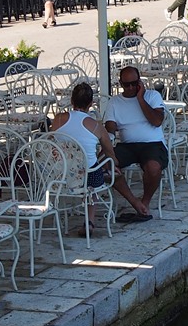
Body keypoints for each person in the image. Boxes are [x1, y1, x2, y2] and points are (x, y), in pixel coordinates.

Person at [52, 82, 150, 233]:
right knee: (107, 170)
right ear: (91, 103)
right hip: (87, 178)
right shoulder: (96, 126)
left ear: (71, 101)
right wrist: (113, 164)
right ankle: (89, 221)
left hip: (59, 175)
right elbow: (110, 154)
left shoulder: (57, 119)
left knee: (89, 166)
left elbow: (52, 142)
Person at [103, 66, 166, 222]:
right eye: (126, 84)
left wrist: (140, 98)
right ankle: (135, 203)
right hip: (128, 145)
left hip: (152, 143)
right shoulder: (115, 102)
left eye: (134, 83)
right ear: (120, 84)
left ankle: (145, 202)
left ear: (140, 82)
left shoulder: (152, 96)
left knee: (153, 168)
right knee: (105, 165)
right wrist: (106, 141)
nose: (131, 87)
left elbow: (157, 121)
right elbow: (110, 127)